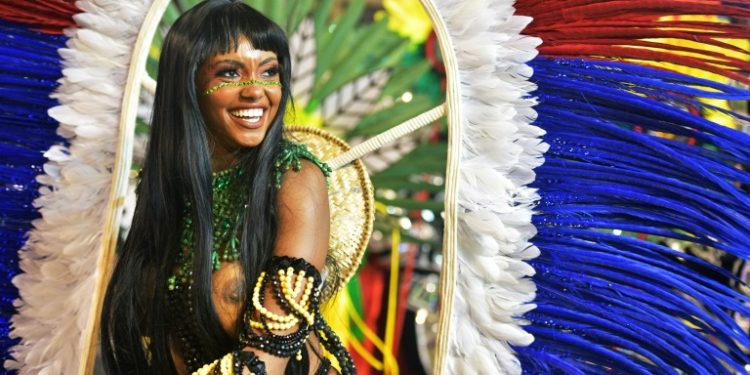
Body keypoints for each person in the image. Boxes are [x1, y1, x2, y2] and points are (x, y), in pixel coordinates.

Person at [100, 1, 355, 374]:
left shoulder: (295, 178)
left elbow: (270, 351)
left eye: (269, 72)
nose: (256, 92)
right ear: (188, 83)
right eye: (230, 73)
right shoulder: (167, 191)